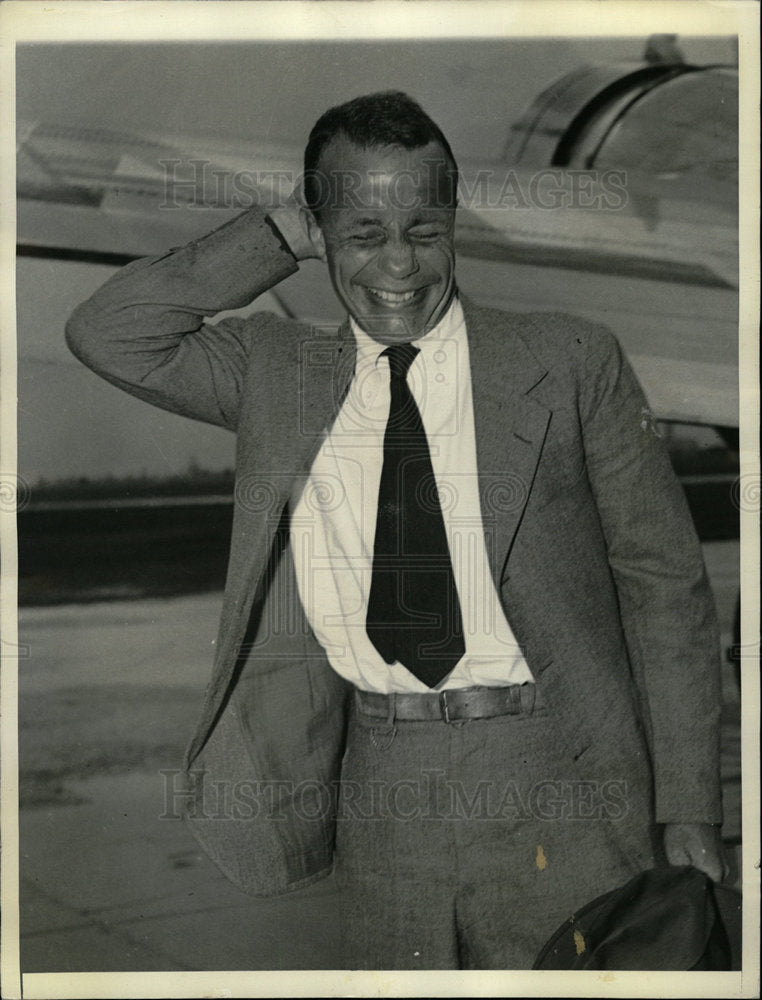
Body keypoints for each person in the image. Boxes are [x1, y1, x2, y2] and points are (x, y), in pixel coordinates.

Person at [66, 90, 726, 970]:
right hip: (383, 791)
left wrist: (689, 808)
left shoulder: (569, 360)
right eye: (363, 232)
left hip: (562, 774)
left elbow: (664, 588)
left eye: (423, 229)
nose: (399, 266)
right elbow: (110, 332)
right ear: (321, 229)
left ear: (454, 221)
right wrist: (277, 235)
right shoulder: (277, 370)